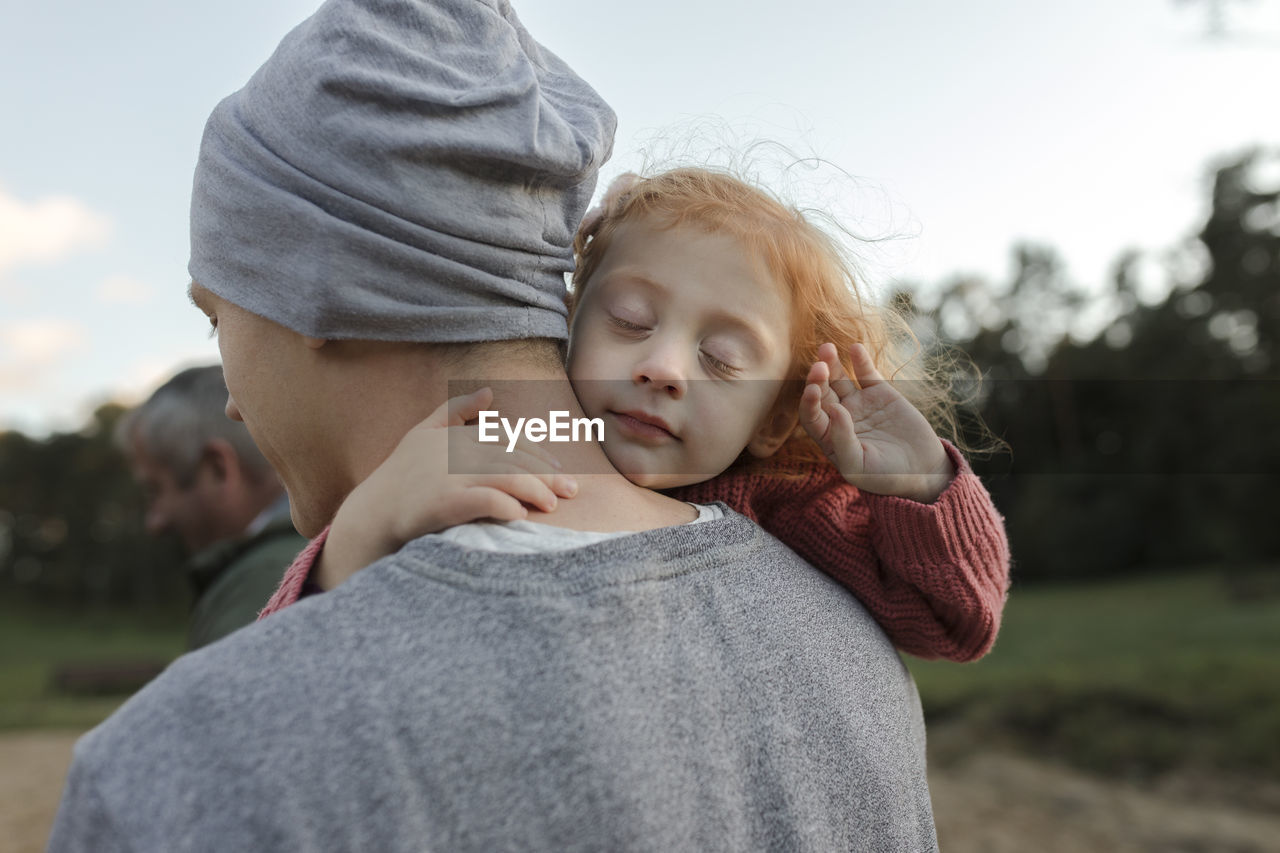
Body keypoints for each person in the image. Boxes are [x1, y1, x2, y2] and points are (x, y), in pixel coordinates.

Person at [50, 1, 941, 849]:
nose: (234, 401)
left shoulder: (179, 775)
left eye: (220, 317)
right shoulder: (851, 647)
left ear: (316, 288)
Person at [262, 168, 1010, 664]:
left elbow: (957, 622)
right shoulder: (507, 437)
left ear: (774, 419)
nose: (664, 367)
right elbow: (274, 671)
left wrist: (918, 485)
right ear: (565, 320)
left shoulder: (782, 509)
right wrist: (359, 533)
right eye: (628, 318)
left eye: (721, 358)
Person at [116, 364, 306, 649]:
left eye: (155, 490)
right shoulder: (336, 548)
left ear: (218, 469)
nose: (154, 523)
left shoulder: (264, 585)